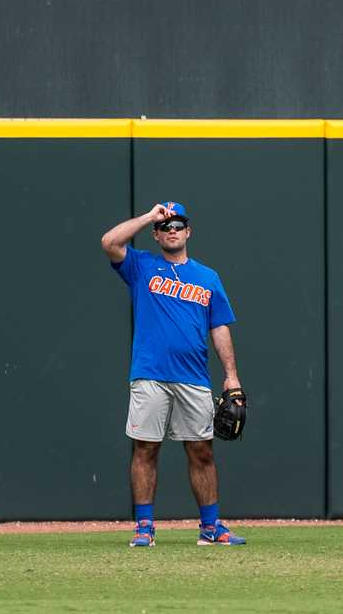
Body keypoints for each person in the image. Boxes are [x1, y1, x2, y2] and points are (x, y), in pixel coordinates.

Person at [101, 201, 246, 547]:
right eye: (165, 226)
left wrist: (232, 376)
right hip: (150, 374)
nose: (172, 230)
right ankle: (144, 527)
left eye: (177, 225)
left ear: (188, 231)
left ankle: (210, 528)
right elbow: (109, 242)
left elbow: (220, 327)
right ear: (156, 234)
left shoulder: (208, 277)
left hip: (194, 377)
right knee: (145, 449)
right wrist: (150, 215)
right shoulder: (141, 266)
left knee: (202, 451)